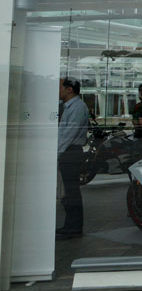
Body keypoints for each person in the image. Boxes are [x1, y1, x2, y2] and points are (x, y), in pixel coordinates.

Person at [56, 77, 89, 240]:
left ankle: (74, 228)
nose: (57, 91)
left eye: (59, 87)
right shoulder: (69, 106)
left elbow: (68, 134)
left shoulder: (77, 107)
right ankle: (70, 225)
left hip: (70, 152)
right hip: (67, 151)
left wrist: (56, 153)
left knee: (71, 191)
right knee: (68, 192)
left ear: (69, 89)